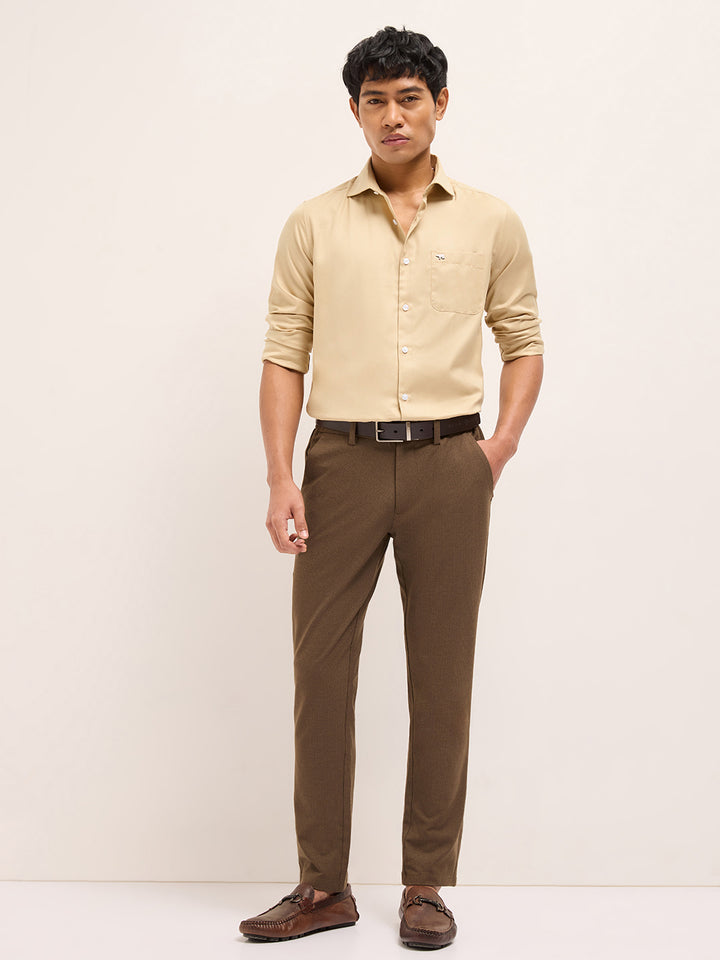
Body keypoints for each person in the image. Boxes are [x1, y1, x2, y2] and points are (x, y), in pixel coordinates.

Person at [239, 25, 544, 950]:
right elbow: (284, 352)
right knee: (320, 673)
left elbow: (523, 340)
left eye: (410, 97)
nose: (393, 115)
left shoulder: (490, 220)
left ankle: (425, 886)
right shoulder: (313, 223)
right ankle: (322, 885)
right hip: (341, 463)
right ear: (355, 111)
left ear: (439, 105)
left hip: (453, 462)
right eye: (375, 100)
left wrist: (496, 450)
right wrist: (281, 476)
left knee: (442, 677)